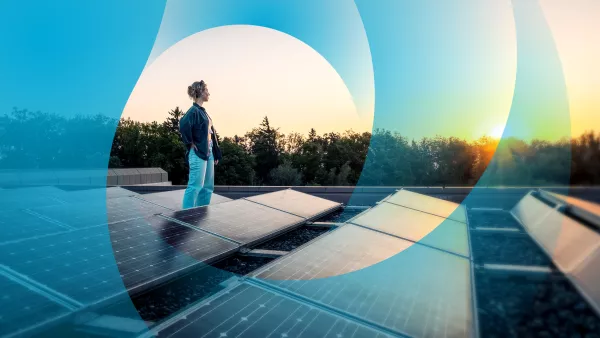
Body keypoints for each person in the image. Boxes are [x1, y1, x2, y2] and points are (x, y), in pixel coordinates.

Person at [179, 80, 222, 209]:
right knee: (195, 185)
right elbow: (183, 124)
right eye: (207, 90)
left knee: (208, 187)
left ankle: (200, 214)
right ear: (200, 92)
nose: (209, 93)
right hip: (198, 152)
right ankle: (186, 216)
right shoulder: (194, 111)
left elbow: (211, 134)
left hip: (208, 152)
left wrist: (216, 152)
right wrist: (190, 143)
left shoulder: (203, 111)